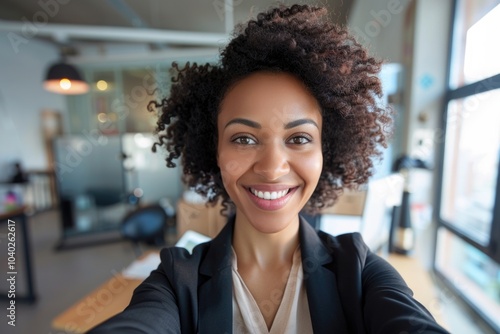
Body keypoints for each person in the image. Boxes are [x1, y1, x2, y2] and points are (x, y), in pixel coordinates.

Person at [89, 4, 449, 334]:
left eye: (299, 138)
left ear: (327, 149)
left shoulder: (358, 272)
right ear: (213, 148)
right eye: (244, 139)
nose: (273, 168)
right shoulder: (176, 280)